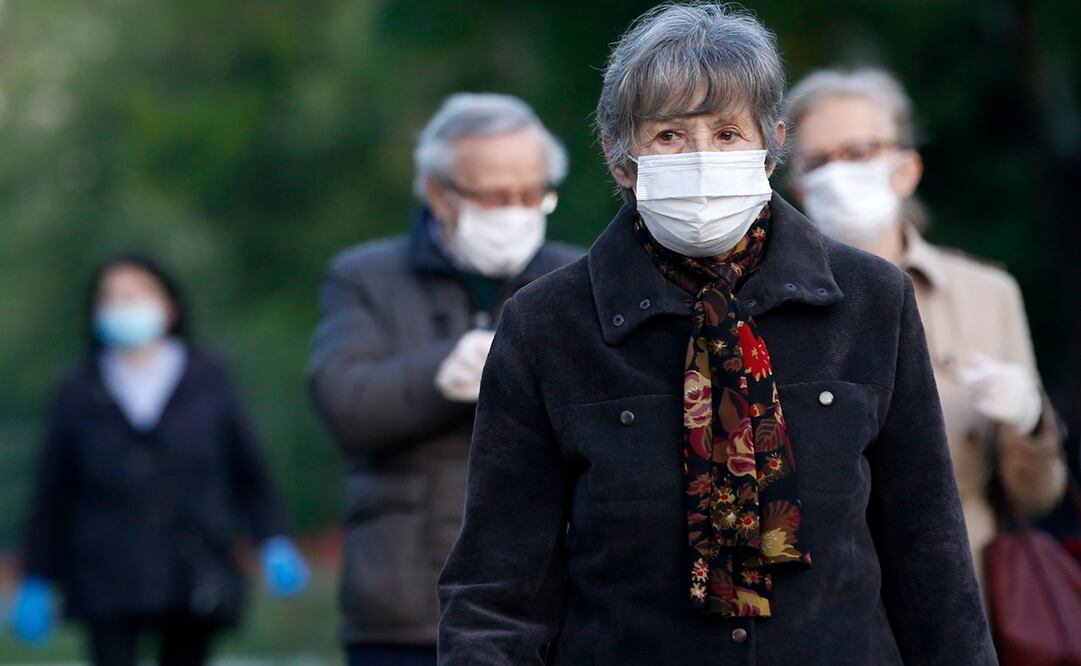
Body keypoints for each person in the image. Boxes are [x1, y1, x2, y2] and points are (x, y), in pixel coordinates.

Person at [437, 5, 996, 664]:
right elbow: (496, 590)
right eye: (669, 135)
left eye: (727, 132)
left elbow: (928, 555)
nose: (701, 157)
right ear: (620, 158)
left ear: (770, 145)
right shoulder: (547, 326)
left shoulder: (870, 302)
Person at [308, 92, 582, 664]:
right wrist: (441, 373)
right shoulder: (366, 277)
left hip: (550, 605)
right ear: (439, 193)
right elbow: (344, 404)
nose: (515, 211)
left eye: (531, 194)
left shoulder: (577, 278)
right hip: (404, 612)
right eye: (492, 195)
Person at [784, 67, 1067, 590]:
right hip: (828, 604)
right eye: (819, 161)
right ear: (799, 186)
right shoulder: (771, 304)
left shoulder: (987, 294)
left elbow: (1037, 497)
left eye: (859, 152)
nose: (837, 173)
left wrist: (1029, 423)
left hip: (965, 594)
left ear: (906, 169)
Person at [9, 254, 309, 666]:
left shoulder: (209, 377)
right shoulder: (78, 388)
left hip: (192, 567)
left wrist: (272, 539)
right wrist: (37, 576)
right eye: (111, 298)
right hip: (106, 573)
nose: (123, 306)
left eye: (135, 295)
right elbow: (53, 491)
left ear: (169, 305)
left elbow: (247, 469)